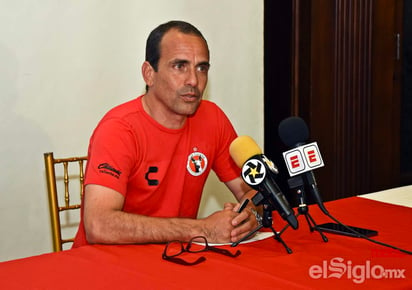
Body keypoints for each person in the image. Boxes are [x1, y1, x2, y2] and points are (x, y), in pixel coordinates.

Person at [73, 20, 259, 248]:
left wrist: (248, 216)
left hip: (175, 259)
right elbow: (99, 225)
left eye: (201, 68)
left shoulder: (212, 119)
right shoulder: (119, 128)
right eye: (180, 66)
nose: (193, 80)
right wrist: (200, 230)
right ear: (149, 74)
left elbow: (254, 190)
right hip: (107, 267)